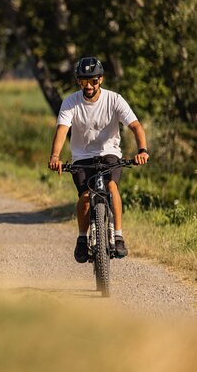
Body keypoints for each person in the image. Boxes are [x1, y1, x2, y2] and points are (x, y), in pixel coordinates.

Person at [48, 56, 149, 263]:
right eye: (84, 81)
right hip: (82, 157)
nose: (89, 85)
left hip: (109, 153)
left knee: (112, 187)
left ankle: (118, 236)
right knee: (85, 197)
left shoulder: (114, 99)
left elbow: (136, 126)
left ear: (101, 80)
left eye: (93, 81)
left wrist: (143, 150)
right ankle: (82, 239)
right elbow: (62, 130)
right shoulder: (71, 102)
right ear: (79, 82)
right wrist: (55, 157)